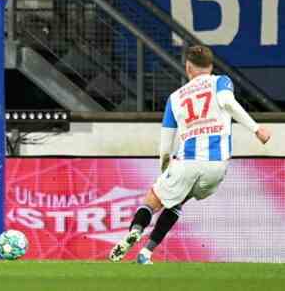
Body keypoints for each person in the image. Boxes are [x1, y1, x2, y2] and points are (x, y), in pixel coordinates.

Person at [108, 45, 272, 265]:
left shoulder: (175, 98)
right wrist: (256, 129)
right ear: (211, 66)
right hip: (216, 168)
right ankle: (145, 254)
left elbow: (166, 145)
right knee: (176, 203)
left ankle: (136, 230)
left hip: (187, 162)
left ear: (187, 67)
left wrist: (165, 169)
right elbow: (227, 103)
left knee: (152, 200)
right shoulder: (221, 81)